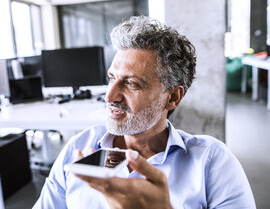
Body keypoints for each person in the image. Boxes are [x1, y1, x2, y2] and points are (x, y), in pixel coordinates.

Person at [33, 16, 256, 209]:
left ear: (172, 98)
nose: (110, 96)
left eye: (132, 84)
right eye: (112, 78)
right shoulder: (79, 147)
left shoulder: (211, 161)